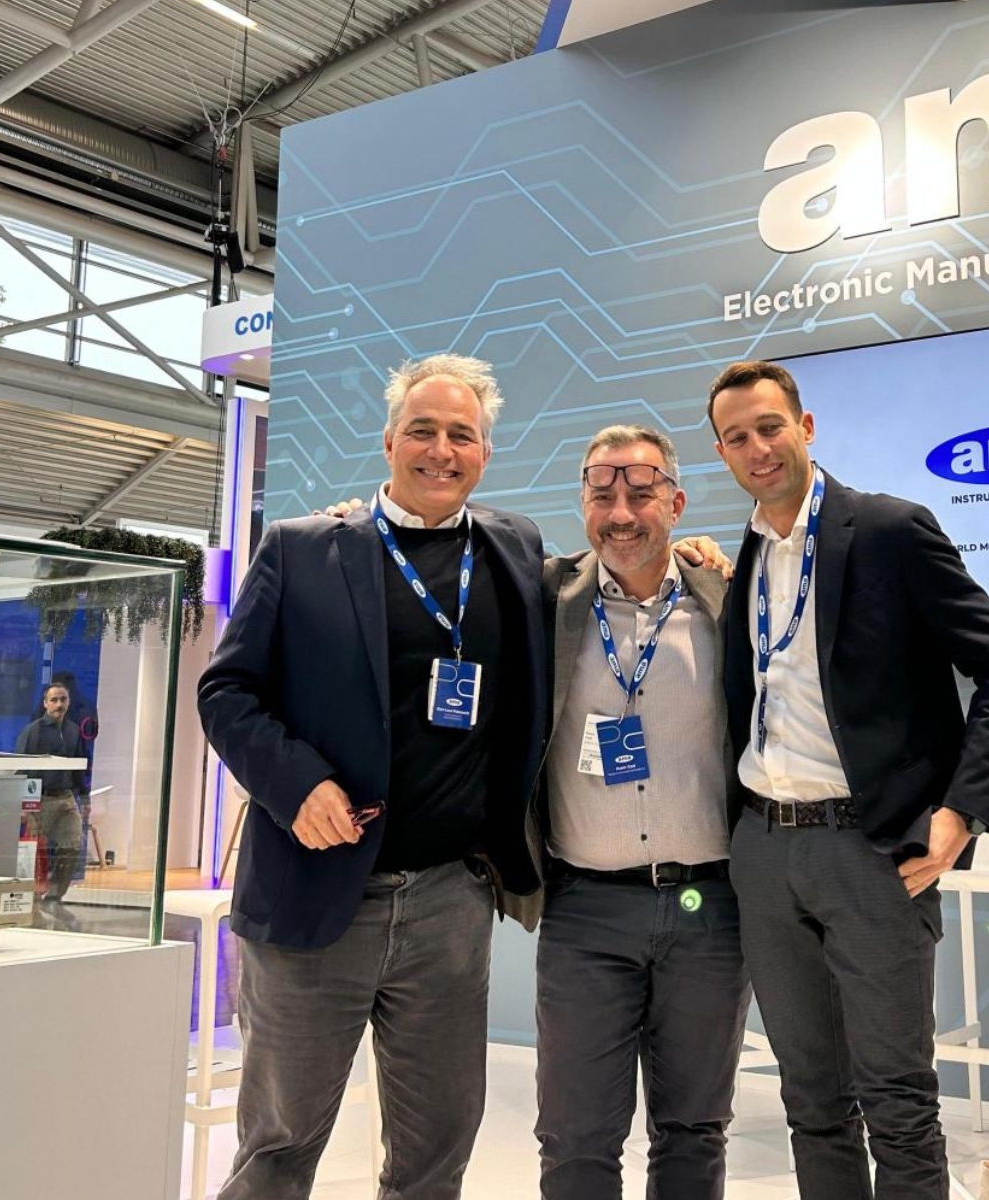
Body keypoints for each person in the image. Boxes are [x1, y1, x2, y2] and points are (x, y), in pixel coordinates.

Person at [198, 354, 549, 1200]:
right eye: (422, 431)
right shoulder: (302, 548)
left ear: (485, 453)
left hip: (449, 904)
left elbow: (600, 587)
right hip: (316, 895)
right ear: (389, 442)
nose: (441, 450)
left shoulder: (514, 548)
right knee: (279, 1148)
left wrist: (694, 558)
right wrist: (295, 785)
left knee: (436, 1154)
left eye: (461, 435)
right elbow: (226, 691)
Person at [707, 360, 989, 1200]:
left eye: (770, 427)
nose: (758, 448)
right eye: (737, 437)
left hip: (872, 850)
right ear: (722, 453)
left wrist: (961, 809)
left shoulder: (889, 529)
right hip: (764, 852)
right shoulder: (745, 556)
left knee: (898, 1102)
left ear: (806, 427)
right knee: (811, 1101)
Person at [533, 425, 749, 1199]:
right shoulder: (545, 600)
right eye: (602, 492)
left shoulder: (724, 599)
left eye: (641, 491)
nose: (621, 512)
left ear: (677, 504)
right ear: (582, 504)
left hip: (708, 909)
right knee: (575, 1138)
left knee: (694, 1130)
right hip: (585, 912)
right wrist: (350, 522)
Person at [14, 681, 89, 902]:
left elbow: (79, 768)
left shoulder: (73, 731)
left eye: (63, 699)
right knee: (36, 852)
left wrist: (84, 798)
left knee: (72, 846)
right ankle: (31, 898)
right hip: (41, 799)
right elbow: (22, 769)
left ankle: (54, 896)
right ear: (45, 703)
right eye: (54, 700)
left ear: (69, 702)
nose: (59, 704)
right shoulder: (33, 732)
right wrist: (25, 806)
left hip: (66, 798)